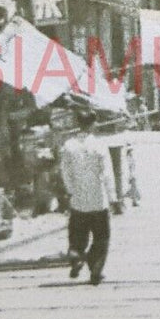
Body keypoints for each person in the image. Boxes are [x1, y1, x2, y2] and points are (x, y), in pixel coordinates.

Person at [59, 109, 115, 285]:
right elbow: (107, 173)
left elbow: (65, 173)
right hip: (98, 199)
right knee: (101, 237)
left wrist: (71, 191)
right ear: (93, 124)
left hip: (78, 200)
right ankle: (95, 269)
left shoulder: (68, 146)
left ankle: (76, 255)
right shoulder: (100, 146)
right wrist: (113, 196)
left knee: (77, 233)